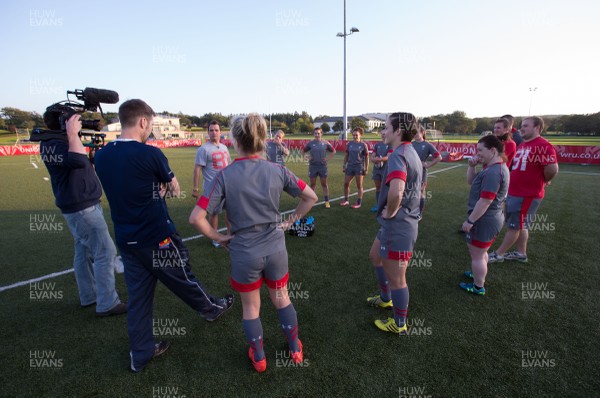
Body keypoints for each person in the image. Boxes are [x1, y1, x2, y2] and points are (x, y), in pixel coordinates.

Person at [94, 99, 234, 373]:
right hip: (156, 235)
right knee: (183, 277)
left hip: (126, 239)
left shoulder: (101, 155)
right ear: (143, 122)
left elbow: (125, 187)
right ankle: (211, 308)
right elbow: (174, 188)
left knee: (139, 299)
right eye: (151, 124)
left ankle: (141, 352)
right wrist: (162, 190)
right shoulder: (151, 154)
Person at [190, 113, 317, 373]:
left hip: (244, 250)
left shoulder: (224, 175)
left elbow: (196, 218)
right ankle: (294, 348)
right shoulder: (277, 169)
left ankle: (259, 357)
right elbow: (310, 196)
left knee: (251, 307)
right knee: (282, 298)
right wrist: (290, 221)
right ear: (263, 141)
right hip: (275, 247)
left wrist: (218, 237)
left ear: (236, 141)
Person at [39, 111, 127, 317]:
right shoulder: (57, 141)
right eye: (74, 120)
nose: (78, 123)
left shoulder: (54, 141)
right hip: (81, 207)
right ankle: (107, 303)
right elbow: (77, 160)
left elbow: (78, 163)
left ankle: (89, 295)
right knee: (105, 252)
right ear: (65, 122)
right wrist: (72, 134)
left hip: (76, 205)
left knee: (84, 253)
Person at [366, 112, 422, 334]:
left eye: (386, 127)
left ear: (398, 131)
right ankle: (385, 298)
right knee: (375, 256)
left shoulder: (399, 155)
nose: (383, 131)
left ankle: (399, 324)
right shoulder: (409, 151)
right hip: (399, 224)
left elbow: (397, 191)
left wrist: (390, 212)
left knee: (398, 278)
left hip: (398, 225)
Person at [487, 116, 559, 264]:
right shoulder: (525, 144)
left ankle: (499, 254)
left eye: (526, 126)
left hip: (527, 194)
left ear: (537, 128)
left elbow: (552, 168)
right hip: (517, 192)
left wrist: (543, 180)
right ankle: (521, 253)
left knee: (515, 226)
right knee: (521, 224)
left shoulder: (543, 145)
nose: (522, 128)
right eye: (522, 125)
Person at [459, 135, 510, 295]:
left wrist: (470, 220)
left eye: (480, 150)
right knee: (481, 253)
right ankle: (477, 275)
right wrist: (471, 166)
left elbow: (485, 201)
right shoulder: (493, 167)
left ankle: (478, 286)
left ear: (493, 150)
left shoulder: (494, 172)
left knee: (477, 254)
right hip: (490, 218)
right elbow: (470, 181)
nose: (477, 153)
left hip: (484, 219)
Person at [192, 120, 231, 248]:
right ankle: (215, 239)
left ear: (220, 132)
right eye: (211, 130)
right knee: (214, 213)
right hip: (212, 188)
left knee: (230, 211)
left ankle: (230, 234)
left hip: (227, 186)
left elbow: (229, 165)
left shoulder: (224, 147)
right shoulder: (203, 149)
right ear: (208, 133)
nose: (214, 132)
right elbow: (197, 169)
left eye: (216, 130)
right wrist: (195, 188)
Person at [412, 127, 442, 218]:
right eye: (414, 133)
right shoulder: (410, 144)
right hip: (411, 171)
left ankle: (419, 213)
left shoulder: (427, 145)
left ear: (422, 132)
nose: (415, 134)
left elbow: (439, 157)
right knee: (410, 191)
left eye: (417, 132)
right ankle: (411, 209)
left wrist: (428, 165)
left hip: (422, 172)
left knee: (421, 192)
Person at [303, 127, 336, 208]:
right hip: (313, 167)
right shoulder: (310, 143)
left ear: (321, 134)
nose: (317, 135)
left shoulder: (325, 143)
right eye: (315, 133)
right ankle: (311, 201)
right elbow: (303, 151)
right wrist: (306, 157)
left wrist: (327, 158)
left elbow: (333, 151)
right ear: (313, 134)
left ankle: (327, 201)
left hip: (322, 167)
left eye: (318, 133)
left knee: (324, 184)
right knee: (312, 184)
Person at [341, 127, 369, 209]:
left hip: (359, 167)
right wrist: (344, 165)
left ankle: (359, 202)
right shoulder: (349, 144)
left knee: (359, 185)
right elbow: (346, 155)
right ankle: (346, 200)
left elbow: (367, 158)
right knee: (346, 183)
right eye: (353, 135)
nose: (355, 136)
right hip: (350, 166)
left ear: (360, 135)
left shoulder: (363, 145)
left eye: (356, 135)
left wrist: (366, 168)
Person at [369, 135, 392, 212]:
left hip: (386, 169)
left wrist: (378, 159)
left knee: (385, 188)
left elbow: (388, 157)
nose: (383, 135)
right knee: (378, 187)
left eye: (385, 134)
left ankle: (386, 205)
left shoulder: (390, 145)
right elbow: (372, 156)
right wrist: (373, 159)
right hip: (376, 169)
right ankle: (378, 204)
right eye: (382, 134)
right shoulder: (377, 145)